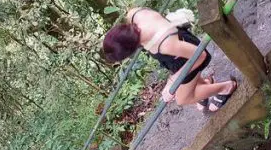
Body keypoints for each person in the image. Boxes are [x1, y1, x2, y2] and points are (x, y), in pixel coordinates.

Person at [102, 7, 238, 111]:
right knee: (186, 85)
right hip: (178, 49)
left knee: (183, 98)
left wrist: (172, 82)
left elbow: (201, 56)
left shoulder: (165, 44)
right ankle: (204, 86)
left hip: (189, 56)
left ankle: (225, 87)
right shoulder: (134, 14)